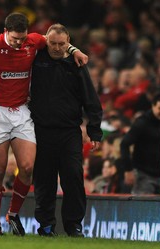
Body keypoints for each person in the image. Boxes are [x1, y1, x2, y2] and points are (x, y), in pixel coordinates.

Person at [0, 13, 88, 236]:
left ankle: (12, 214)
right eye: (14, 39)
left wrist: (74, 50)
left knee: (28, 167)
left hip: (22, 111)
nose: (19, 43)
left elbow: (56, 40)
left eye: (22, 39)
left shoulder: (33, 40)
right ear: (5, 32)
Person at [29, 24, 103, 237]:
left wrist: (94, 130)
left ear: (68, 42)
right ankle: (45, 225)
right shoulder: (36, 57)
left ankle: (74, 225)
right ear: (46, 41)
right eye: (53, 43)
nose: (57, 48)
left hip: (69, 132)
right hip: (41, 131)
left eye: (62, 44)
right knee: (44, 181)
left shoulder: (76, 63)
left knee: (73, 177)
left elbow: (91, 99)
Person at [120, 94, 160, 195]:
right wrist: (128, 169)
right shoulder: (142, 123)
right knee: (141, 207)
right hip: (144, 174)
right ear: (153, 106)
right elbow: (124, 144)